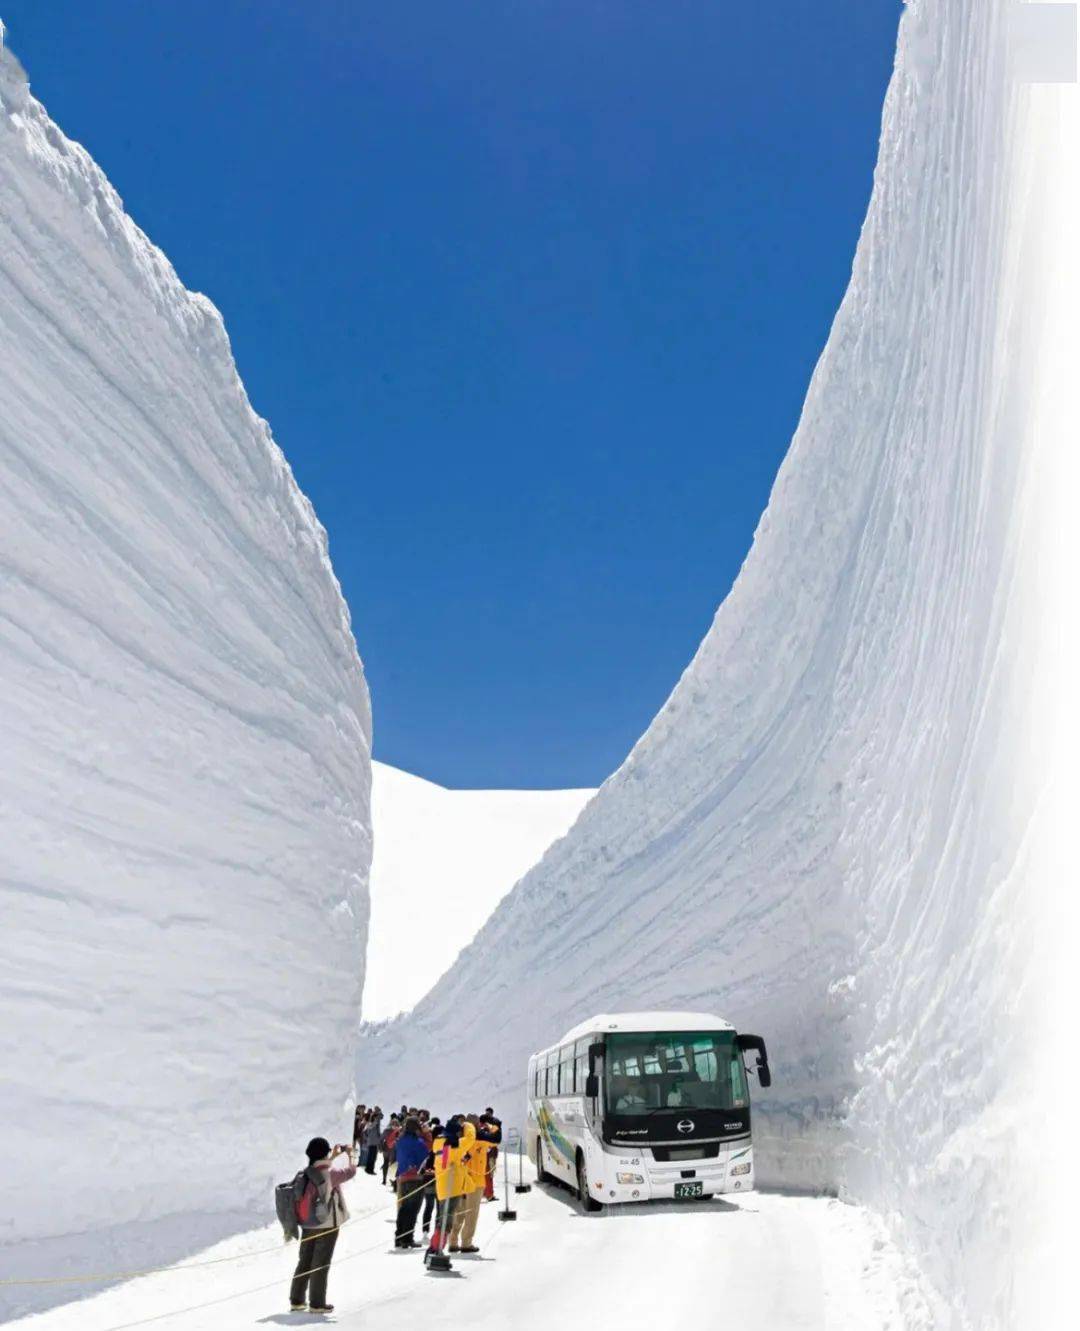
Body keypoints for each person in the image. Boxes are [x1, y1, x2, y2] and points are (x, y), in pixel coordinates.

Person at [288, 1137, 355, 1315]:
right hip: (326, 1224)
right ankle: (317, 1304)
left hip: (308, 1223)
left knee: (305, 1260)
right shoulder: (331, 1173)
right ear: (324, 1153)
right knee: (321, 1263)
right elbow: (350, 1172)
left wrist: (331, 1157)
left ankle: (297, 1300)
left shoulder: (306, 1172)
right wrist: (351, 1155)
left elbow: (322, 1169)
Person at [425, 1116, 467, 1263]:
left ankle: (434, 1248)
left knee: (442, 1218)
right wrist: (468, 1126)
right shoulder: (453, 1145)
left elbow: (445, 1162)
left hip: (442, 1186)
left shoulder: (439, 1141)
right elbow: (469, 1140)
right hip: (452, 1187)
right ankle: (436, 1249)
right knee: (446, 1221)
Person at [393, 1116, 430, 1247]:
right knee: (413, 1209)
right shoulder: (418, 1142)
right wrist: (426, 1135)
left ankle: (399, 1236)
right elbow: (427, 1156)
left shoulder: (400, 1141)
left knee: (403, 1208)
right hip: (415, 1178)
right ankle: (407, 1238)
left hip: (402, 1177)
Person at [480, 1109, 502, 1201]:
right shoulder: (490, 1128)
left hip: (481, 1156)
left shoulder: (477, 1129)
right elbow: (496, 1140)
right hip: (489, 1155)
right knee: (489, 1175)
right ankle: (489, 1194)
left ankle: (483, 1193)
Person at [381, 1116, 401, 1186]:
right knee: (392, 1165)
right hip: (392, 1150)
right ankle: (390, 1181)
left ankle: (385, 1180)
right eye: (394, 1125)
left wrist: (381, 1148)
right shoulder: (398, 1131)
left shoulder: (386, 1130)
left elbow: (381, 1139)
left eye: (396, 1125)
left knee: (387, 1164)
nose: (395, 1126)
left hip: (387, 1149)